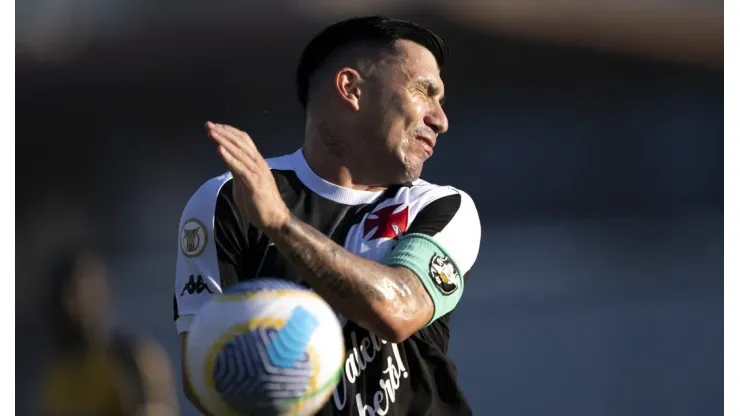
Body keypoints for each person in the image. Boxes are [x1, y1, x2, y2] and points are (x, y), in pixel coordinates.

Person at [174, 16, 481, 416]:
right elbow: (203, 375)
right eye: (425, 92)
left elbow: (399, 310)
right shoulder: (228, 200)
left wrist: (281, 225)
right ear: (351, 89)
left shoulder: (444, 208)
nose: (440, 119)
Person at [40, 248, 178, 416]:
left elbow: (157, 409)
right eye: (65, 297)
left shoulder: (132, 358)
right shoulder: (56, 376)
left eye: (78, 294)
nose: (70, 308)